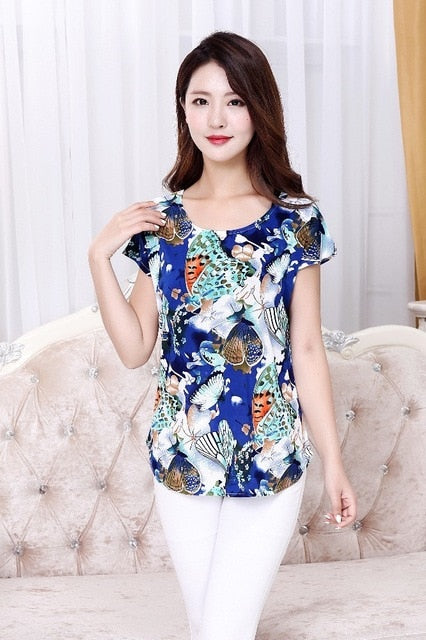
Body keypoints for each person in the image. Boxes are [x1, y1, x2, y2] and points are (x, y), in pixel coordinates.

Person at [89, 31, 357, 640]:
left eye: (234, 101)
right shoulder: (163, 223)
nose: (217, 118)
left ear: (259, 110)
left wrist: (335, 464)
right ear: (183, 112)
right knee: (208, 629)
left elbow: (306, 349)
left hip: (271, 457)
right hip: (181, 460)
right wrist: (99, 257)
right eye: (200, 101)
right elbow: (134, 349)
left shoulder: (296, 221)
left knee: (222, 631)